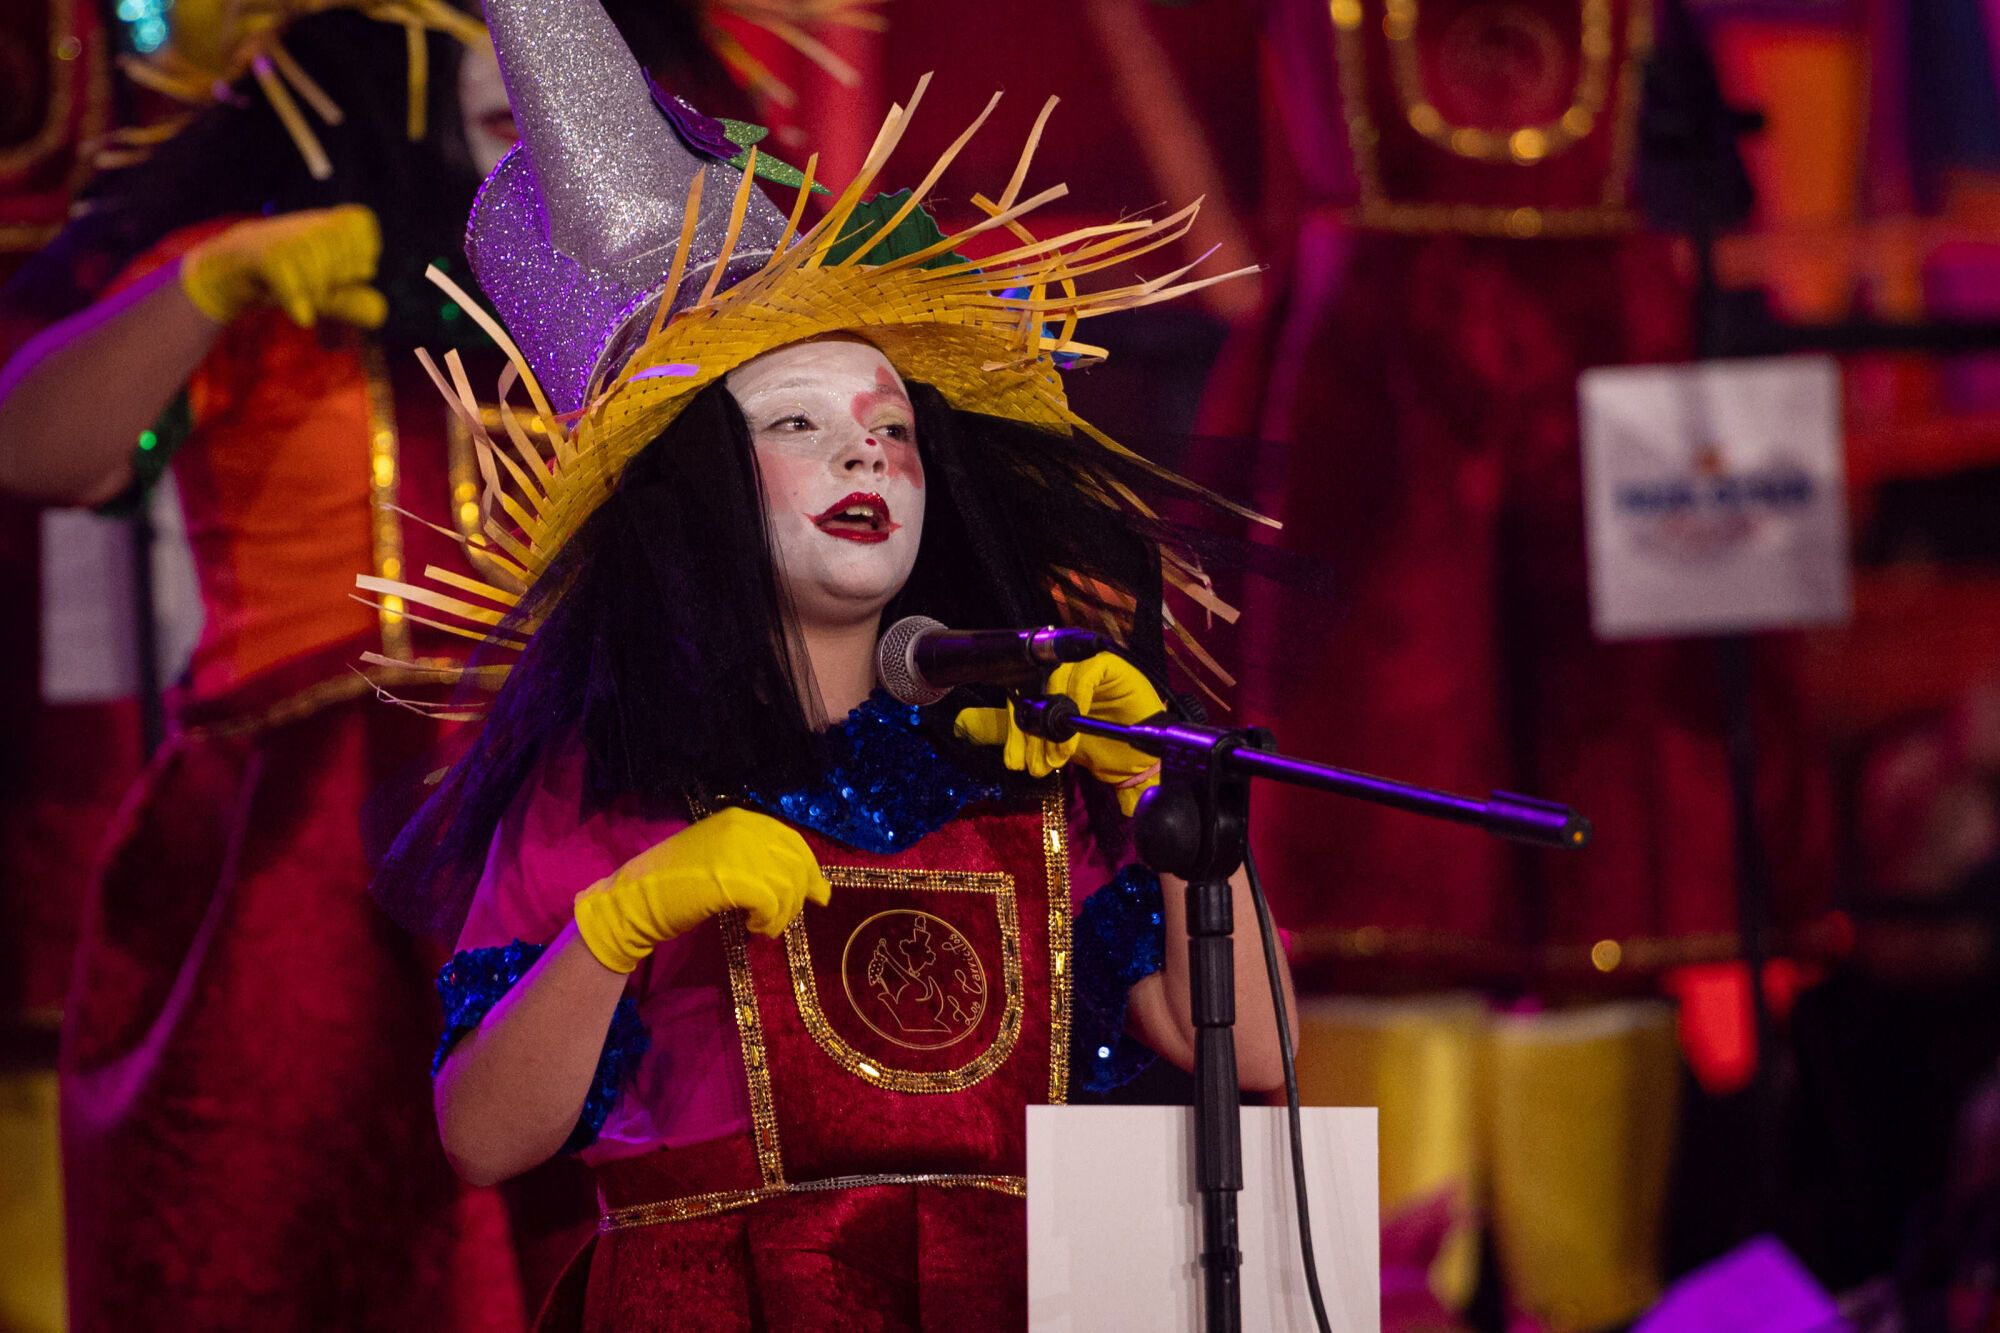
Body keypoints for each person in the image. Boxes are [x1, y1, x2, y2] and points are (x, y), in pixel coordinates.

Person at [366, 0, 1297, 1323]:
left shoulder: (1027, 769)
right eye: (797, 422)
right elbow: (482, 1138)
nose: (866, 449)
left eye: (892, 426)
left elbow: (1258, 1050)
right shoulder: (610, 781)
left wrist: (1165, 789)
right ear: (695, 486)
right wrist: (616, 924)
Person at [0, 5, 532, 1328]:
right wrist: (213, 280)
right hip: (298, 835)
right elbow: (34, 450)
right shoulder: (262, 278)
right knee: (273, 1219)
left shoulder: (604, 295)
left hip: (548, 814)